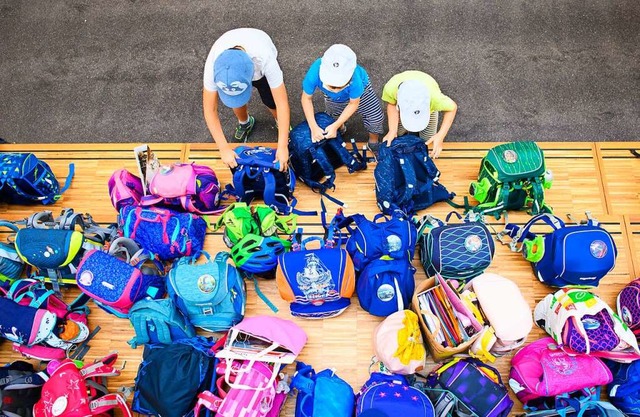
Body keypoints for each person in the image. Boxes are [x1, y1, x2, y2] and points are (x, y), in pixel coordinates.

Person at [202, 28, 290, 171]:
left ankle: (281, 124)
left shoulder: (265, 58)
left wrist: (283, 145)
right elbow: (209, 109)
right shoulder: (213, 65)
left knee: (270, 100)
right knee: (238, 102)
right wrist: (223, 149)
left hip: (260, 62)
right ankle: (245, 123)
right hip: (235, 56)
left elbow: (282, 103)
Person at [300, 44, 384, 151]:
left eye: (340, 86)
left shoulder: (356, 80)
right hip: (333, 99)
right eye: (332, 86)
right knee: (334, 115)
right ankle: (340, 127)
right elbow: (306, 98)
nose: (335, 90)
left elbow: (354, 103)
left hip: (363, 93)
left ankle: (373, 142)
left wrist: (335, 125)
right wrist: (313, 127)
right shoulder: (314, 72)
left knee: (374, 117)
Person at [381, 70, 458, 159]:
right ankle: (405, 137)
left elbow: (452, 108)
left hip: (430, 107)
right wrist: (392, 131)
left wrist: (440, 136)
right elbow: (392, 104)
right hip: (400, 102)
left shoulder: (435, 99)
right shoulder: (391, 88)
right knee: (397, 134)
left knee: (428, 139)